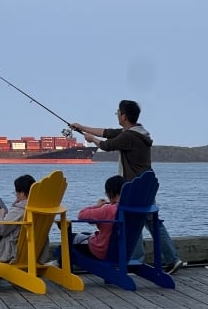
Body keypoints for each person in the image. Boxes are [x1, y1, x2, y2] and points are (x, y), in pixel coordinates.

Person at [71, 99, 185, 273]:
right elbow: (107, 132)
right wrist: (82, 127)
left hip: (133, 189)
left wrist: (91, 139)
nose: (117, 114)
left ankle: (139, 260)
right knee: (149, 222)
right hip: (146, 188)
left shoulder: (129, 136)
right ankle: (166, 259)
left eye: (118, 112)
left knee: (134, 222)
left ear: (124, 116)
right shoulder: (138, 133)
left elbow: (106, 144)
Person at [71, 175, 125, 259]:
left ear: (110, 192)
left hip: (102, 252)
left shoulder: (108, 209)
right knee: (85, 234)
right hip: (123, 251)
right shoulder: (131, 209)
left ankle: (60, 264)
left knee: (70, 237)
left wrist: (97, 206)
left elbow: (81, 215)